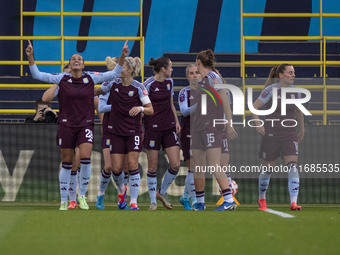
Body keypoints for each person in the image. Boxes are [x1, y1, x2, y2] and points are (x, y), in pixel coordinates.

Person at [26, 39, 129, 210]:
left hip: (85, 125)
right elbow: (37, 75)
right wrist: (31, 56)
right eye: (73, 58)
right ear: (69, 64)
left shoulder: (90, 78)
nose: (76, 60)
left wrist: (123, 57)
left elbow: (112, 74)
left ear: (83, 65)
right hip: (66, 125)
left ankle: (82, 196)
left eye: (79, 59)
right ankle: (64, 201)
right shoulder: (62, 78)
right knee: (67, 162)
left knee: (85, 159)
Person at [95, 56, 153, 210]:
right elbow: (96, 91)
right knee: (116, 169)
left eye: (124, 67)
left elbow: (150, 109)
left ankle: (133, 201)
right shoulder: (112, 84)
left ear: (131, 70)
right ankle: (121, 194)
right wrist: (81, 87)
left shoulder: (138, 87)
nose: (120, 70)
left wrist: (140, 108)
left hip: (133, 132)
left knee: (133, 164)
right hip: (115, 132)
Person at [252, 64, 304, 211]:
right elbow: (254, 107)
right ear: (281, 75)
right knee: (268, 168)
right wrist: (258, 123)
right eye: (290, 72)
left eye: (294, 72)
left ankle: (293, 202)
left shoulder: (296, 92)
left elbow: (299, 111)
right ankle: (262, 198)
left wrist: (302, 129)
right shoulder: (271, 90)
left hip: (289, 134)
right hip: (271, 134)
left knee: (293, 165)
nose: (293, 75)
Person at [191, 49, 238, 211]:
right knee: (199, 166)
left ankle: (229, 200)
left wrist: (229, 122)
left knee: (214, 164)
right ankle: (200, 202)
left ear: (198, 62)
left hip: (212, 127)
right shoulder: (205, 80)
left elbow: (225, 100)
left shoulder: (213, 78)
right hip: (200, 127)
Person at [143, 56, 181, 210]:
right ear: (163, 69)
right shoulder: (147, 84)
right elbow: (142, 106)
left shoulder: (170, 82)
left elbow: (171, 104)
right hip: (152, 128)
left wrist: (177, 121)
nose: (172, 70)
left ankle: (162, 192)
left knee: (176, 164)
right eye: (170, 67)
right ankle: (153, 201)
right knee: (152, 166)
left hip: (169, 127)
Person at [95, 56, 130, 210]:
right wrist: (120, 106)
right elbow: (101, 108)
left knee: (126, 167)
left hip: (127, 129)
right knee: (109, 166)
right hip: (110, 130)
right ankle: (100, 195)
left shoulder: (132, 85)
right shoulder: (107, 85)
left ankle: (122, 199)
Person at [177, 64, 201, 210]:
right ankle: (194, 201)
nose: (194, 75)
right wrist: (200, 104)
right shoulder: (183, 92)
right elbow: (184, 111)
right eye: (191, 73)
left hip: (202, 132)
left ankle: (185, 197)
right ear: (187, 77)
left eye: (197, 73)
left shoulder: (206, 92)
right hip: (188, 132)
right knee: (193, 167)